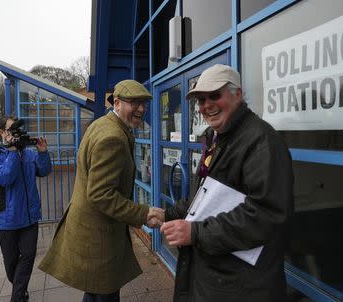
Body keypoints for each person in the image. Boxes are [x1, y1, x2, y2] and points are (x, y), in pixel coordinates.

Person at [160, 64, 294, 302]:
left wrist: (196, 232)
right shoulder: (218, 138)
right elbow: (204, 198)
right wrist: (167, 214)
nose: (206, 106)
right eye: (201, 100)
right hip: (215, 276)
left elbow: (266, 214)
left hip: (241, 285)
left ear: (237, 95)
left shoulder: (262, 141)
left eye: (214, 96)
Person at [38, 80, 165, 302]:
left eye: (144, 103)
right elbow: (100, 194)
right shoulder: (112, 137)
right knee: (104, 293)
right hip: (99, 236)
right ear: (116, 103)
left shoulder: (102, 124)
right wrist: (143, 214)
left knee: (96, 292)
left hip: (90, 229)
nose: (142, 109)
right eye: (134, 103)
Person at [0, 116, 52, 302]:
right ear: (2, 133)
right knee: (11, 263)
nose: (16, 135)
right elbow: (4, 178)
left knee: (29, 255)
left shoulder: (29, 154)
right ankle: (20, 289)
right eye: (12, 131)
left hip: (30, 217)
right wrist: (13, 152)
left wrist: (43, 153)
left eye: (17, 131)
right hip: (6, 219)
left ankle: (18, 297)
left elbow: (44, 171)